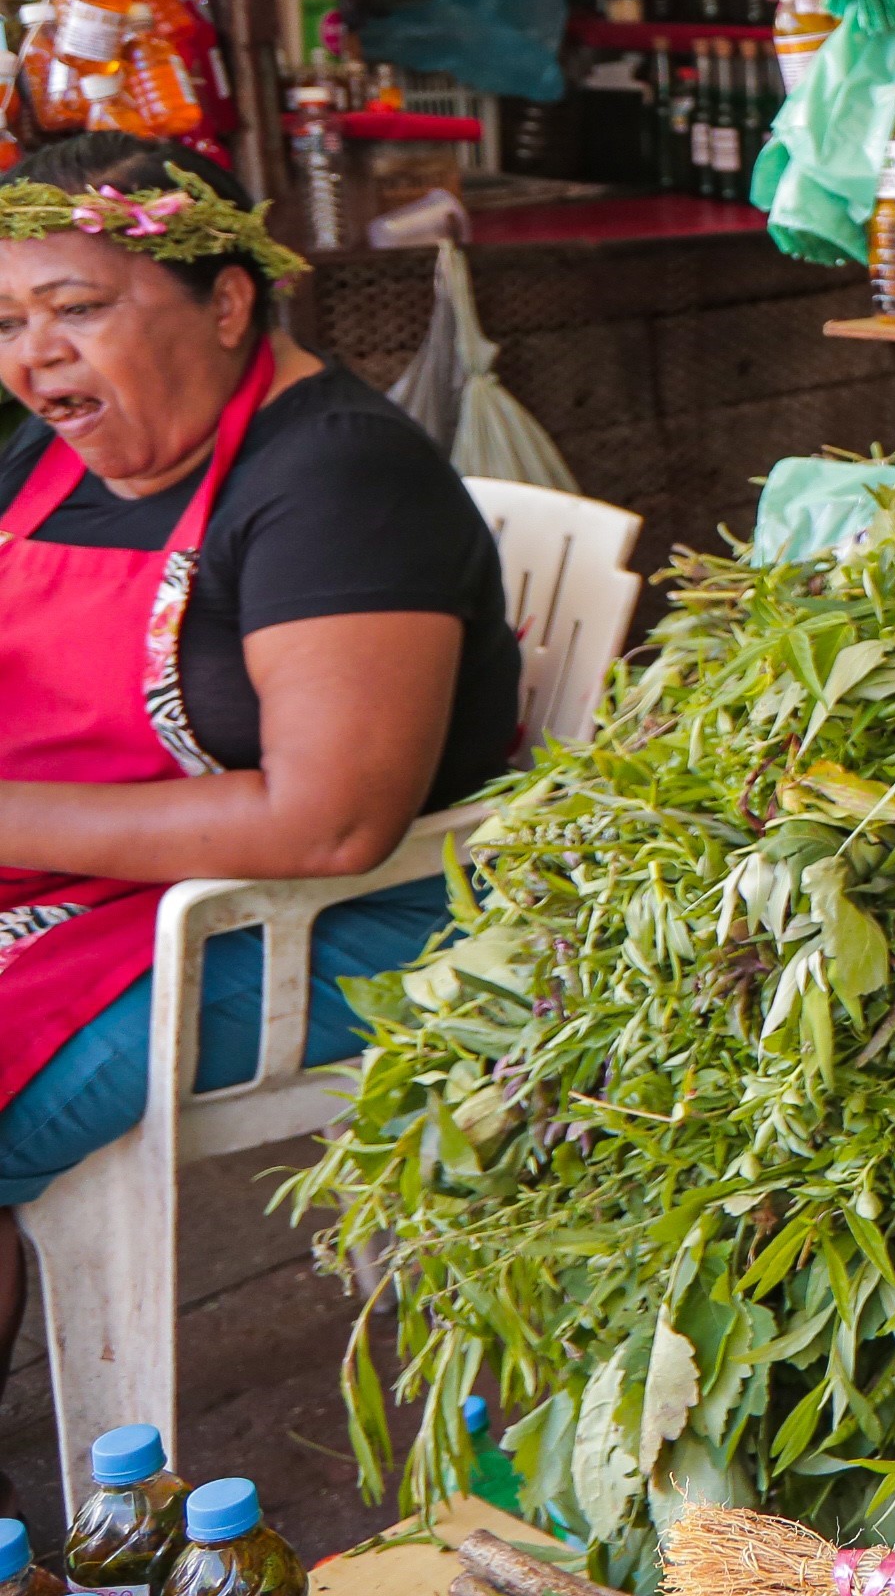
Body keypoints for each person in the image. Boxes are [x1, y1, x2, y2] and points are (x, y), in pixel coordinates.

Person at [0, 136, 520, 1376]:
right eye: (10, 320)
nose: (36, 354)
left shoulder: (335, 477)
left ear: (227, 302)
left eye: (78, 309)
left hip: (328, 912)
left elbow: (327, 822)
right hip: (97, 880)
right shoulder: (43, 460)